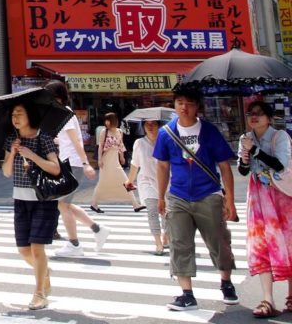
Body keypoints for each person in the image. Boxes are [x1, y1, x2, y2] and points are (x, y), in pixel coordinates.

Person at [154, 85, 238, 311]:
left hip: (208, 194)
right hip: (178, 195)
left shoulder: (209, 131)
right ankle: (187, 294)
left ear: (197, 106)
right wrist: (160, 197)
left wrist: (229, 200)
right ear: (174, 104)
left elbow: (224, 166)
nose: (184, 107)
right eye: (180, 102)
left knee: (218, 240)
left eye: (189, 103)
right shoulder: (166, 133)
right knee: (179, 243)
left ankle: (226, 282)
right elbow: (162, 166)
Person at [2, 101, 62, 311]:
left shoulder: (43, 138)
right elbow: (7, 172)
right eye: (13, 115)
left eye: (19, 113)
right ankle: (44, 272)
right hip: (20, 200)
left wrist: (31, 156)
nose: (15, 118)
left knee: (37, 248)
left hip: (43, 200)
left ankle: (39, 294)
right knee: (23, 250)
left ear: (30, 116)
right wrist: (13, 152)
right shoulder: (12, 139)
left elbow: (55, 168)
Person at [237, 100, 292, 318]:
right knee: (261, 245)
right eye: (251, 113)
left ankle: (290, 295)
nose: (254, 117)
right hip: (259, 196)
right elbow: (242, 171)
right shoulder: (245, 138)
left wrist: (255, 151)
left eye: (259, 113)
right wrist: (245, 157)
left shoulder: (280, 137)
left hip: (282, 198)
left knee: (287, 244)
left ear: (269, 118)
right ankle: (267, 298)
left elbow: (281, 165)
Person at [44, 81, 106, 258]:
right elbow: (67, 140)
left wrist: (86, 163)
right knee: (65, 204)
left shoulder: (65, 113)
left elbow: (76, 141)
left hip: (73, 163)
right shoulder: (63, 114)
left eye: (49, 96)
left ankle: (74, 244)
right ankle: (97, 229)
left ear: (58, 97)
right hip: (69, 162)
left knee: (63, 205)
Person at [126, 118, 169, 255]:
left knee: (166, 213)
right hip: (147, 181)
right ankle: (158, 243)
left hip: (166, 182)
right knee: (152, 212)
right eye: (147, 124)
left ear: (158, 125)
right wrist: (130, 181)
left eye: (153, 124)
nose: (150, 126)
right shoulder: (139, 143)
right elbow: (135, 163)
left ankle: (166, 237)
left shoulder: (166, 141)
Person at [90, 112, 142, 212]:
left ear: (113, 120)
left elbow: (120, 145)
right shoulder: (104, 132)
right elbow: (100, 146)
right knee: (102, 182)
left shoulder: (119, 131)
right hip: (106, 159)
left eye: (108, 120)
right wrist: (100, 159)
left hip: (115, 160)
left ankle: (135, 204)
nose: (106, 122)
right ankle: (94, 204)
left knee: (125, 181)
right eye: (105, 120)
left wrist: (122, 156)